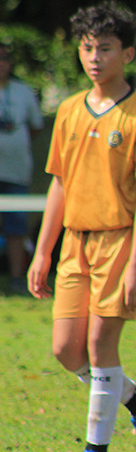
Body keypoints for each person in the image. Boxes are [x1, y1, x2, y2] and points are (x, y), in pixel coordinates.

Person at [26, 1, 136, 452]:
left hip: (119, 241)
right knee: (67, 349)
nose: (94, 57)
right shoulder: (68, 110)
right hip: (74, 243)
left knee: (101, 346)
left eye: (105, 48)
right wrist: (43, 250)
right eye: (87, 48)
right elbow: (59, 184)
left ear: (127, 54)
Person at [0, 42, 44, 295]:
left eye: (5, 58)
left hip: (17, 170)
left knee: (17, 227)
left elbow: (35, 126)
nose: (1, 64)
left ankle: (18, 278)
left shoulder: (23, 92)